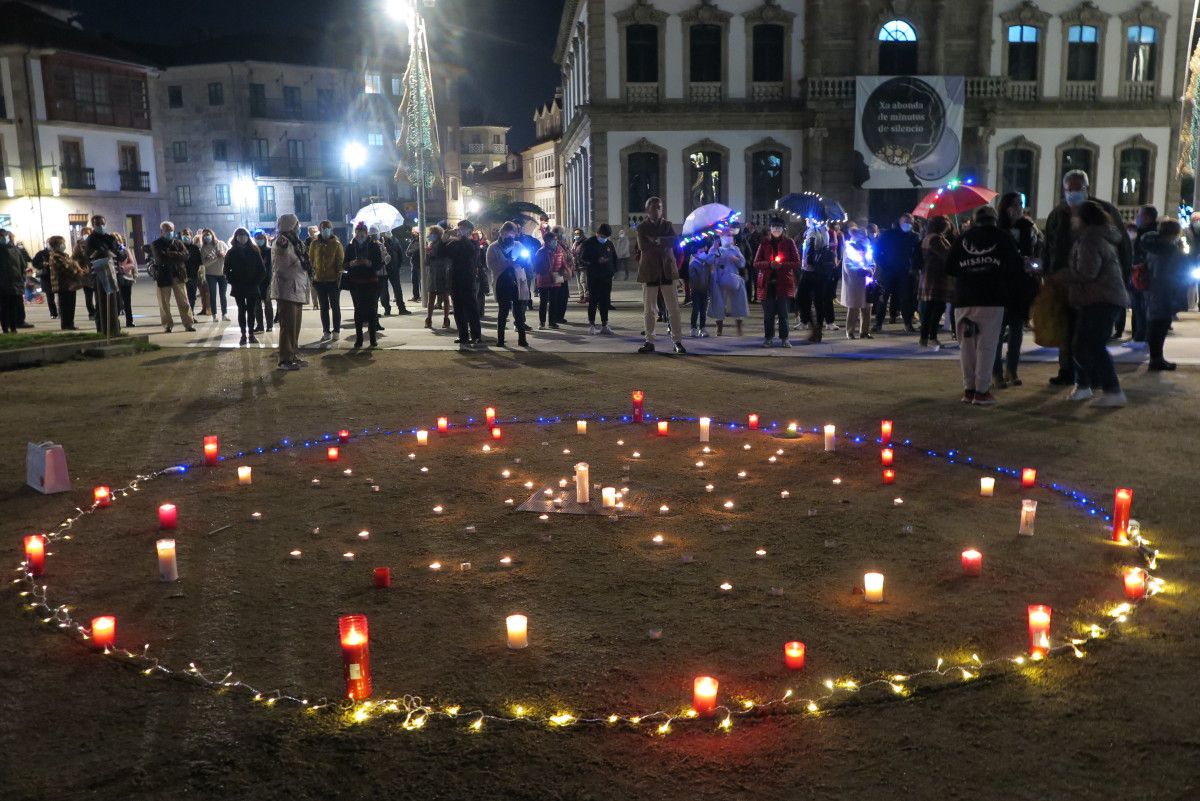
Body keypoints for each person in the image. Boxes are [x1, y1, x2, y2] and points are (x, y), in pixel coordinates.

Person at [1041, 169, 1132, 386]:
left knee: (1090, 335)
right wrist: (1049, 274)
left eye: (1078, 188)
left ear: (1087, 188)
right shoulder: (1057, 214)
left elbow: (1123, 248)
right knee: (1067, 330)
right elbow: (1049, 247)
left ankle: (1092, 377)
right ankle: (1068, 370)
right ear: (1063, 189)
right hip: (1065, 284)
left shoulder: (1102, 211)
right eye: (1069, 189)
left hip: (1095, 286)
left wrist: (1124, 278)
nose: (1073, 193)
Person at [944, 205, 1024, 406]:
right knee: (986, 345)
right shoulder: (1003, 238)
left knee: (967, 347)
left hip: (963, 299)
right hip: (991, 298)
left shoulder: (963, 239)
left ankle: (969, 389)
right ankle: (981, 391)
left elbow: (950, 267)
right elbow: (1014, 267)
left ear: (974, 220)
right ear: (994, 219)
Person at [1063, 200, 1129, 406]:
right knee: (1085, 345)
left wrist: (1065, 275)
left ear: (1083, 219)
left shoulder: (1090, 239)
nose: (1072, 220)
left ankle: (1112, 390)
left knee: (1090, 346)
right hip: (1103, 298)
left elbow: (1087, 272)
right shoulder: (1098, 237)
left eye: (1075, 216)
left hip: (1100, 299)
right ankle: (1087, 386)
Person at [993, 193, 1042, 387]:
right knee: (998, 331)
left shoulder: (1028, 227)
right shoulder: (998, 229)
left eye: (1020, 204)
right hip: (1002, 284)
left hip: (1022, 283)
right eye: (1014, 205)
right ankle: (996, 372)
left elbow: (1036, 249)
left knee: (1017, 330)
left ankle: (1012, 370)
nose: (1018, 208)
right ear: (1005, 207)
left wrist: (1032, 261)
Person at [635, 197, 685, 354]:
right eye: (653, 206)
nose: (656, 209)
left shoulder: (667, 225)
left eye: (659, 207)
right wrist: (664, 241)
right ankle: (649, 340)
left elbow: (675, 241)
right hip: (650, 271)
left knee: (673, 308)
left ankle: (677, 341)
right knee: (649, 309)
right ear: (647, 209)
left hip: (667, 270)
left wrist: (656, 240)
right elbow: (643, 247)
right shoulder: (642, 227)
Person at [1138, 219, 1189, 371]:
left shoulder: (1153, 245)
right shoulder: (1167, 249)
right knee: (1159, 326)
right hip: (1164, 291)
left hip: (1153, 290)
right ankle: (1156, 360)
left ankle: (1156, 358)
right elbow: (1168, 272)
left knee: (1156, 324)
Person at [271, 213, 311, 369]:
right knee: (287, 326)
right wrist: (299, 260)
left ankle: (293, 355)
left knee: (295, 325)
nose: (299, 227)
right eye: (297, 225)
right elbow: (282, 264)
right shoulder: (282, 242)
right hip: (287, 288)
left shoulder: (295, 242)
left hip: (297, 288)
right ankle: (285, 359)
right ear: (290, 226)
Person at [754, 217, 799, 347]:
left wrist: (781, 265)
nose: (776, 230)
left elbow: (796, 262)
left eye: (778, 227)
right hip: (767, 284)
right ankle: (768, 338)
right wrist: (769, 264)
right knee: (768, 315)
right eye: (774, 227)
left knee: (783, 314)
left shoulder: (789, 242)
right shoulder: (764, 243)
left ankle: (785, 338)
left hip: (783, 283)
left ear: (783, 229)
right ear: (770, 228)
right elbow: (756, 263)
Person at [872, 214, 921, 332]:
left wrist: (913, 267)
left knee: (905, 299)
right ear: (900, 221)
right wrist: (883, 264)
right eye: (906, 221)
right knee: (883, 298)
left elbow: (917, 254)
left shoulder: (914, 236)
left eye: (910, 222)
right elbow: (877, 251)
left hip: (905, 272)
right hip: (888, 270)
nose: (908, 224)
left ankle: (907, 323)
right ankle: (878, 323)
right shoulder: (889, 234)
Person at [486, 221, 530, 348]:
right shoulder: (493, 247)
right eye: (507, 233)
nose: (510, 236)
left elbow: (527, 260)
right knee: (503, 312)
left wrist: (523, 261)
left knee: (519, 313)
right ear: (501, 233)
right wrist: (507, 263)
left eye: (512, 234)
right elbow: (491, 265)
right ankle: (500, 340)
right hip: (502, 282)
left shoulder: (518, 245)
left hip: (517, 282)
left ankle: (522, 339)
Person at [223, 227, 266, 346]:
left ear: (248, 237)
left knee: (251, 311)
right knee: (241, 310)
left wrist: (256, 281)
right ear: (236, 237)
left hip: (252, 285)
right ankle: (243, 334)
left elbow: (262, 270)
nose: (242, 238)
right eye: (240, 236)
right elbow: (226, 270)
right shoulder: (231, 252)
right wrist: (233, 281)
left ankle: (251, 334)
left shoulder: (254, 250)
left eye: (245, 236)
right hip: (239, 286)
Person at [343, 222, 383, 349]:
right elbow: (344, 264)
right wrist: (352, 264)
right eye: (358, 232)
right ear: (355, 233)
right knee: (358, 311)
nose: (360, 235)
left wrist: (369, 263)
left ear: (366, 233)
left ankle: (372, 338)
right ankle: (359, 339)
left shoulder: (373, 246)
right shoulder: (350, 246)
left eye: (362, 232)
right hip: (356, 283)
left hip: (371, 282)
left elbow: (379, 264)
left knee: (372, 311)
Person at [699, 232, 748, 336]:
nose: (727, 238)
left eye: (729, 236)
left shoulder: (735, 249)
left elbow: (742, 263)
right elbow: (708, 261)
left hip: (733, 277)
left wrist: (736, 259)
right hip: (718, 278)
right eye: (725, 236)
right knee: (719, 303)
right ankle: (719, 328)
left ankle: (739, 326)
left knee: (738, 301)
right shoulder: (716, 248)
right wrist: (714, 250)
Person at [84, 215, 125, 336]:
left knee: (117, 304)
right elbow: (94, 255)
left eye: (102, 223)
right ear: (93, 225)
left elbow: (120, 254)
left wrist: (113, 252)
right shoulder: (91, 239)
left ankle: (115, 329)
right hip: (100, 275)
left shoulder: (110, 237)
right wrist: (108, 252)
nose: (100, 226)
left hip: (114, 273)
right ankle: (102, 330)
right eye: (97, 224)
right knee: (102, 305)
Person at [149, 222, 194, 333]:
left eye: (171, 230)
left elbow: (186, 255)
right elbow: (160, 258)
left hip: (178, 276)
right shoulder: (156, 244)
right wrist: (177, 255)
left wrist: (169, 254)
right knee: (164, 303)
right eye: (167, 230)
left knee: (184, 302)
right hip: (163, 277)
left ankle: (188, 324)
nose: (169, 232)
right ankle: (167, 325)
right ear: (161, 231)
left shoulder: (178, 242)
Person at [1123, 205, 1157, 343]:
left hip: (1143, 276)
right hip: (1138, 274)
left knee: (1142, 308)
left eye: (1139, 214)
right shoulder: (1143, 231)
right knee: (1137, 308)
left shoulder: (1150, 234)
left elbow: (1148, 255)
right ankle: (1138, 336)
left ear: (1147, 217)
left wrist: (1139, 264)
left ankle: (1141, 337)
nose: (1137, 217)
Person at [918, 216, 954, 349]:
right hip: (935, 277)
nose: (948, 226)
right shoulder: (935, 239)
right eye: (946, 224)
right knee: (936, 308)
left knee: (931, 308)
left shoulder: (931, 237)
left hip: (931, 276)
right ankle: (930, 336)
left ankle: (925, 338)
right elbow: (945, 254)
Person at [447, 219, 483, 348]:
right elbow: (445, 251)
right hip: (455, 278)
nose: (459, 230)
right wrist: (445, 237)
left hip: (468, 279)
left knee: (471, 308)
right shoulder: (454, 243)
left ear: (469, 230)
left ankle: (476, 335)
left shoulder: (473, 243)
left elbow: (471, 252)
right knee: (458, 309)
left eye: (463, 228)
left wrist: (462, 238)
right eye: (459, 228)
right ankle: (463, 335)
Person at [798, 226, 837, 343]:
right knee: (819, 302)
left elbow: (809, 256)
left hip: (810, 272)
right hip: (822, 273)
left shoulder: (814, 231)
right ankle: (818, 329)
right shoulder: (824, 231)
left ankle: (814, 328)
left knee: (801, 299)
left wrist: (807, 242)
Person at [308, 220, 344, 342]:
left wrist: (339, 278)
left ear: (331, 229)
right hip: (319, 281)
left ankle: (336, 331)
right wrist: (313, 275)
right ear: (320, 229)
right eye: (323, 228)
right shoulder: (314, 244)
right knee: (323, 307)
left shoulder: (337, 244)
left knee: (335, 306)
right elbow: (311, 260)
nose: (325, 230)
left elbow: (340, 262)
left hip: (333, 281)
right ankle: (326, 331)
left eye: (328, 228)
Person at [578, 223, 618, 334]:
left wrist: (613, 271)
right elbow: (582, 258)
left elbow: (614, 258)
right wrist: (596, 261)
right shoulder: (589, 243)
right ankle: (591, 325)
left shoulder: (609, 244)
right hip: (594, 276)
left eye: (606, 237)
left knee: (605, 301)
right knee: (593, 301)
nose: (604, 239)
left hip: (607, 277)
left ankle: (605, 325)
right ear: (598, 233)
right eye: (603, 236)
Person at [841, 229, 875, 339]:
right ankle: (850, 331)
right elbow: (848, 266)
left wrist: (871, 270)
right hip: (854, 282)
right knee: (853, 308)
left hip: (867, 281)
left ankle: (864, 331)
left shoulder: (868, 248)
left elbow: (872, 262)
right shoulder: (849, 248)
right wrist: (860, 271)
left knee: (867, 308)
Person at [534, 229, 569, 330]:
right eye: (553, 240)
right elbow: (536, 267)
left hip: (556, 279)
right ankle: (542, 322)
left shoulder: (559, 251)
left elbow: (563, 264)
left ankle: (552, 322)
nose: (555, 241)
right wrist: (546, 271)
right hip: (544, 280)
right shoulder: (541, 252)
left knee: (554, 302)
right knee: (543, 302)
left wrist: (563, 270)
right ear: (547, 241)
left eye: (556, 240)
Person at [197, 228, 229, 323]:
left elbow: (228, 256)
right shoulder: (203, 248)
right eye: (205, 235)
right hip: (210, 274)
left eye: (208, 234)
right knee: (212, 294)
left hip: (222, 273)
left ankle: (224, 314)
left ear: (212, 234)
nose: (207, 236)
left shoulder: (221, 244)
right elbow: (204, 264)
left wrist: (224, 255)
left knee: (223, 295)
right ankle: (214, 315)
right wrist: (215, 258)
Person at [423, 225, 452, 330]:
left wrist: (432, 254)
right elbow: (426, 262)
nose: (431, 236)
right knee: (431, 297)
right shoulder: (431, 245)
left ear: (438, 234)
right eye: (430, 234)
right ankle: (429, 319)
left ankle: (446, 319)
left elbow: (444, 257)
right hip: (433, 274)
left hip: (442, 273)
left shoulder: (443, 244)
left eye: (432, 234)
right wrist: (427, 254)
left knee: (445, 297)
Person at [0, 228, 25, 333]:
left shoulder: (14, 250)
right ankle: (6, 328)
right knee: (4, 306)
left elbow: (22, 265)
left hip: (13, 282)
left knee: (12, 306)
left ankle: (13, 327)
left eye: (4, 236)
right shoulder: (10, 250)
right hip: (3, 283)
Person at [686, 241, 711, 337]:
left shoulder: (705, 264)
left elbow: (708, 277)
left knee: (703, 310)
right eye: (700, 252)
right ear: (695, 254)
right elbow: (694, 280)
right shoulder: (693, 265)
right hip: (696, 291)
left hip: (704, 291)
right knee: (696, 309)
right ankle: (693, 327)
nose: (703, 253)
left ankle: (702, 327)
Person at [181, 229, 208, 317]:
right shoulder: (179, 247)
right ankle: (186, 315)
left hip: (193, 276)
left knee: (192, 297)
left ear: (191, 236)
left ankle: (191, 313)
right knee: (184, 298)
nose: (186, 237)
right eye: (184, 235)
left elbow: (199, 262)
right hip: (182, 277)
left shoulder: (195, 248)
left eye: (187, 235)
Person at [112, 233, 138, 327]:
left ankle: (129, 321)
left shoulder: (125, 250)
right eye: (114, 240)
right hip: (115, 278)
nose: (116, 242)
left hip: (126, 278)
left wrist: (123, 268)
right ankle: (115, 322)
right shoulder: (110, 251)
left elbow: (132, 263)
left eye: (117, 239)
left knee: (127, 301)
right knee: (116, 301)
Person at [253, 230, 273, 333]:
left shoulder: (269, 251)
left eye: (261, 239)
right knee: (257, 305)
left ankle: (269, 325)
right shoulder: (254, 251)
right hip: (256, 281)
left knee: (267, 303)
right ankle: (260, 325)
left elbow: (271, 266)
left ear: (265, 239)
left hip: (267, 280)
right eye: (258, 239)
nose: (259, 241)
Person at [32, 242, 57, 320]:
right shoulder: (41, 253)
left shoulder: (57, 253)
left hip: (57, 277)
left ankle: (61, 312)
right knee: (50, 297)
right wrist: (42, 264)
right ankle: (53, 313)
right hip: (46, 278)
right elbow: (34, 263)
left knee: (61, 297)